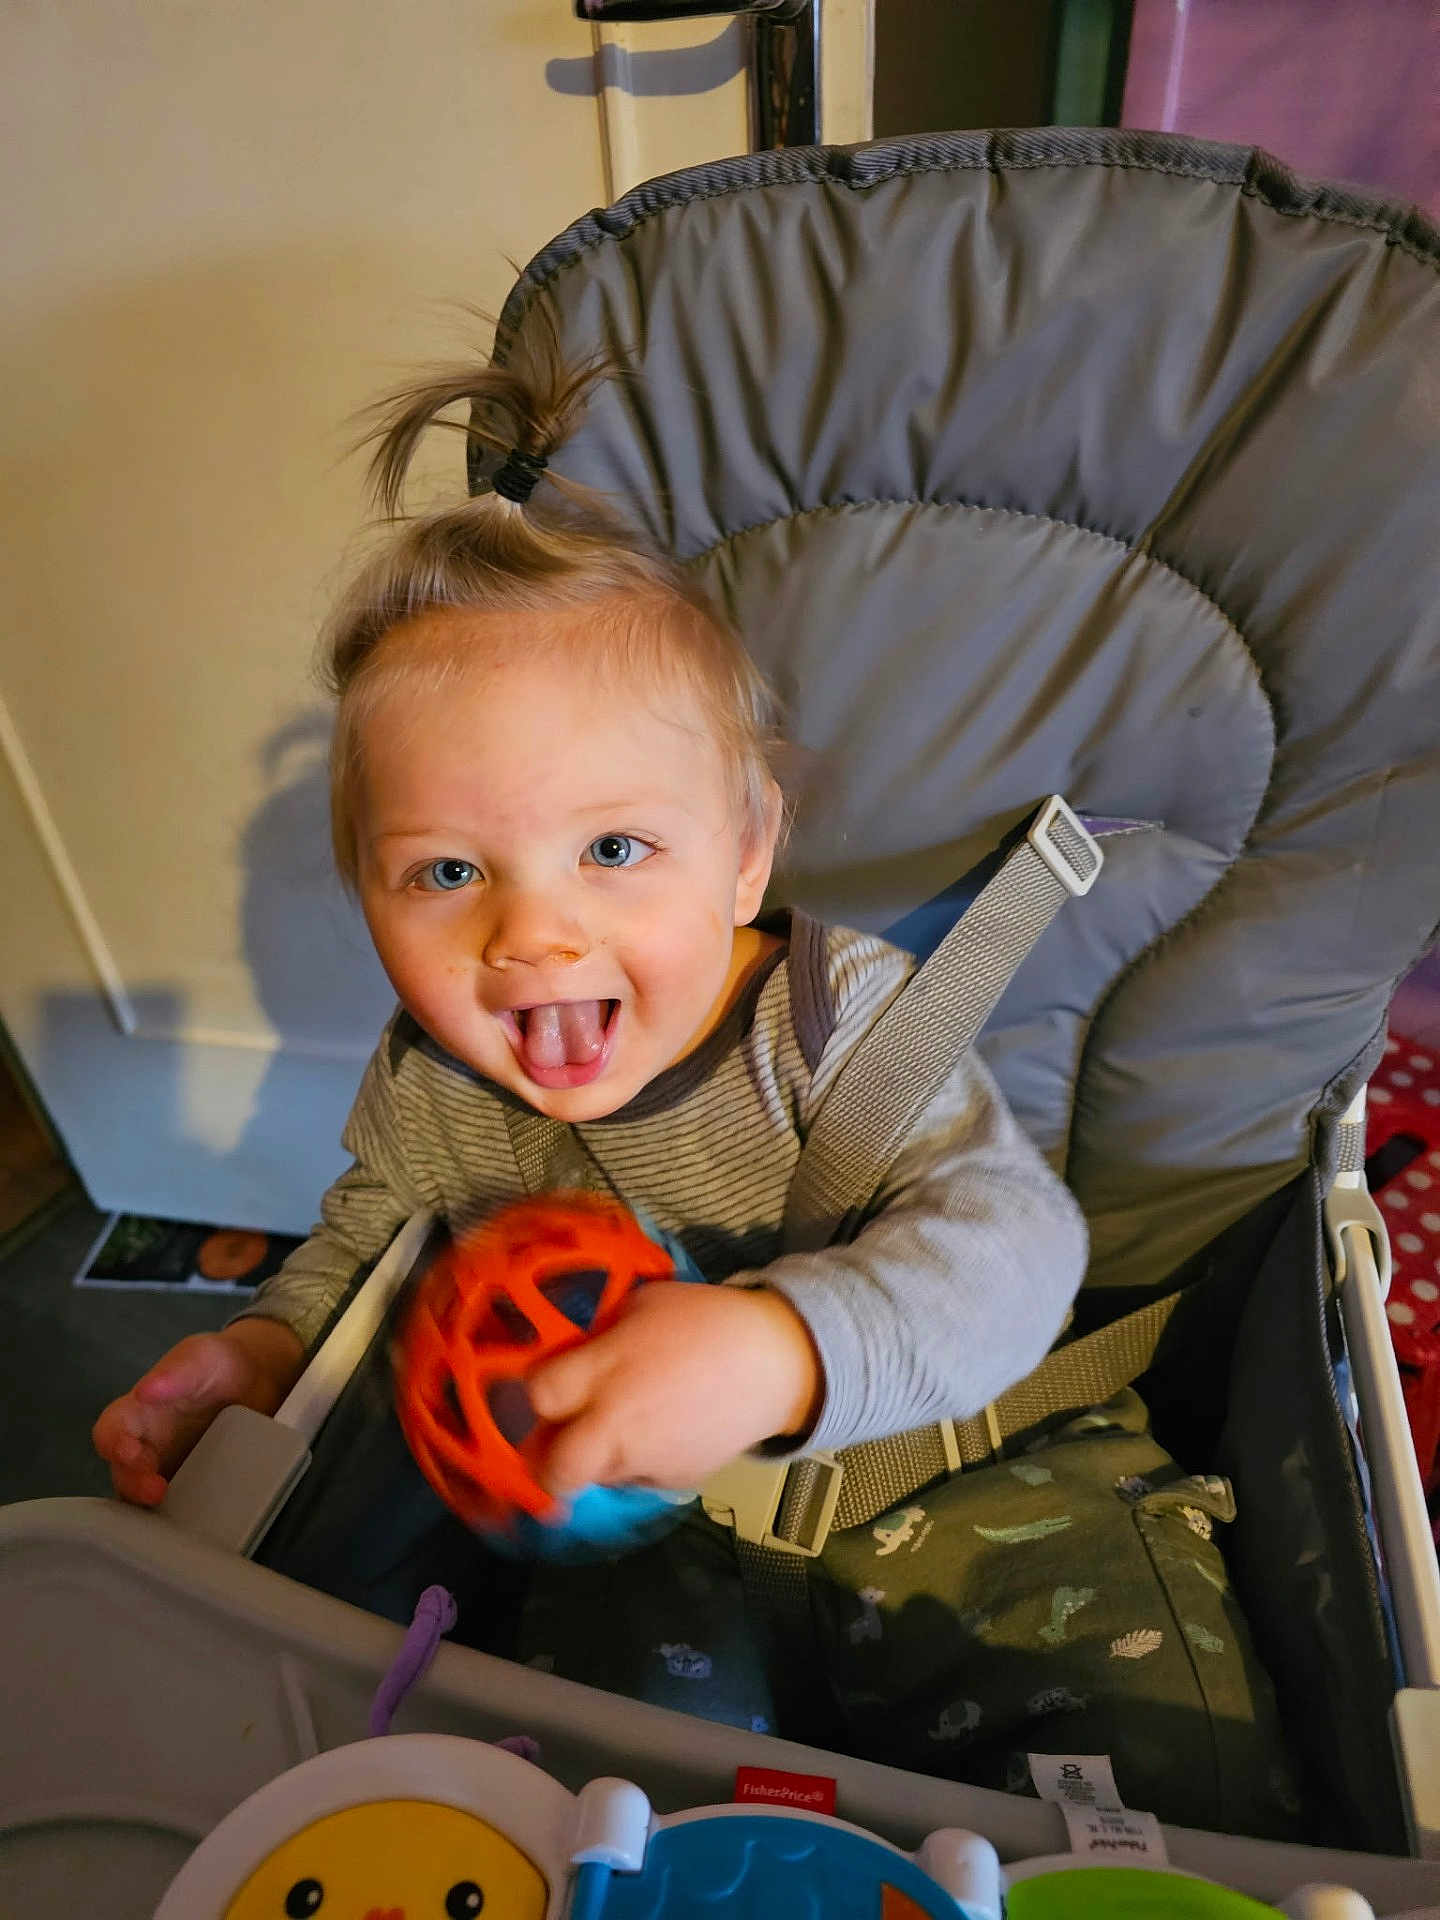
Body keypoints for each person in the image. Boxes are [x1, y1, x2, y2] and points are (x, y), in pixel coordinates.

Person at [92, 327, 1088, 1741]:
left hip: (936, 1466)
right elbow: (376, 1227)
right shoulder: (437, 1076)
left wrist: (784, 1350)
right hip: (621, 1521)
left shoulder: (836, 1023)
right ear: (368, 891)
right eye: (447, 873)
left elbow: (1020, 1245)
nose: (530, 936)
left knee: (1120, 1747)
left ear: (746, 858)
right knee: (575, 1764)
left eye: (614, 846)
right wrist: (268, 1349)